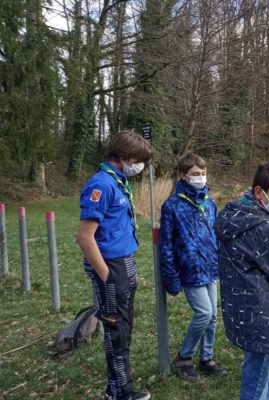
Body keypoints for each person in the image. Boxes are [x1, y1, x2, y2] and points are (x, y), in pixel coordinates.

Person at [76, 130, 152, 400]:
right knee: (115, 330)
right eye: (138, 160)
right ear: (123, 157)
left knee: (125, 325)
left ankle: (122, 387)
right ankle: (118, 392)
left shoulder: (118, 181)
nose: (140, 166)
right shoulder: (101, 185)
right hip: (110, 266)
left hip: (124, 263)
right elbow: (85, 237)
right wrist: (108, 277)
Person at [214, 162, 269, 400]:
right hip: (263, 312)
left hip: (242, 307)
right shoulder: (260, 226)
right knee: (259, 381)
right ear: (259, 192)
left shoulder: (234, 213)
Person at [159, 153, 225, 382]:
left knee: (214, 315)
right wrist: (171, 278)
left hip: (210, 267)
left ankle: (206, 359)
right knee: (204, 313)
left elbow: (216, 236)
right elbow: (165, 245)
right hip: (189, 270)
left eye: (204, 174)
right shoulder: (172, 206)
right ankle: (184, 357)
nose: (201, 178)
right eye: (196, 174)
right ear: (183, 176)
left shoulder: (210, 203)